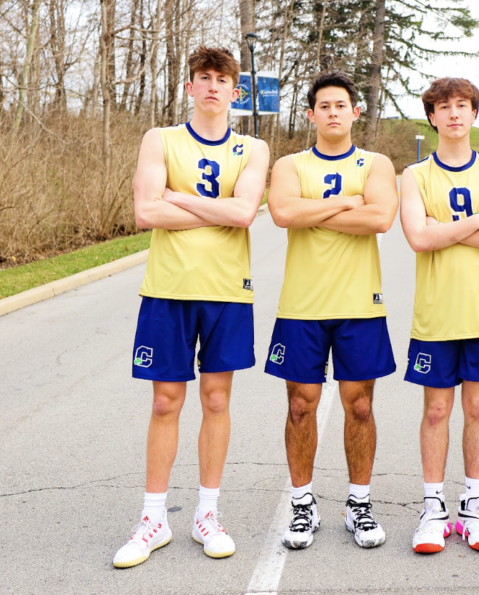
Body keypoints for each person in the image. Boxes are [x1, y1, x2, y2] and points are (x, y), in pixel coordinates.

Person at [113, 46, 269, 568]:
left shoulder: (253, 148)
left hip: (227, 291)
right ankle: (153, 518)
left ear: (235, 90)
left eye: (221, 80)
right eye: (203, 78)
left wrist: (179, 199)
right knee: (164, 402)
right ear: (190, 87)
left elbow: (245, 213)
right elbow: (143, 211)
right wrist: (215, 211)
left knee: (217, 400)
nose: (212, 87)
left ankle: (208, 513)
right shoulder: (161, 139)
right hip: (168, 288)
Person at [265, 71, 398, 550]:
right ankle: (303, 505)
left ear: (355, 112)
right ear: (311, 114)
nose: (334, 112)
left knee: (359, 406)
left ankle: (358, 504)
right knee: (301, 406)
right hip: (302, 305)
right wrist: (347, 202)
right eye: (324, 105)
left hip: (360, 305)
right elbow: (282, 213)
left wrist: (314, 208)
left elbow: (381, 218)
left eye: (342, 105)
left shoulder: (376, 163)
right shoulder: (289, 165)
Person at [399, 78, 479, 554]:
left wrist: (444, 226)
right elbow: (418, 239)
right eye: (443, 107)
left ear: (473, 113)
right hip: (436, 314)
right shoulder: (415, 175)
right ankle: (433, 507)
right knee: (437, 409)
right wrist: (478, 220)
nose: (453, 114)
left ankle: (473, 504)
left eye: (462, 106)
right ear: (431, 116)